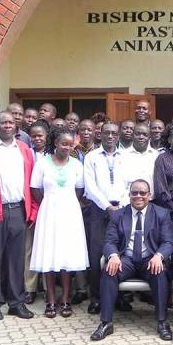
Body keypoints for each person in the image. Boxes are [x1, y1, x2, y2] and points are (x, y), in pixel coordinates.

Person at [91, 180, 173, 341]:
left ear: (149, 196)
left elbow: (168, 242)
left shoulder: (161, 214)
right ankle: (106, 322)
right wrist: (113, 256)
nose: (138, 196)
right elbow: (109, 241)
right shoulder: (118, 215)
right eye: (134, 192)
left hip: (149, 259)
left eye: (143, 193)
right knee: (108, 271)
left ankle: (162, 321)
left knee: (160, 272)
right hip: (126, 260)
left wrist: (159, 256)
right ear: (129, 195)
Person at [30, 128, 89, 318]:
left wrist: (66, 201)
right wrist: (50, 203)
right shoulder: (42, 164)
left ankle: (65, 299)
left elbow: (79, 190)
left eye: (70, 144)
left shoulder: (77, 165)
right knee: (49, 255)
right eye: (64, 143)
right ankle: (50, 300)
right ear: (55, 143)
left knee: (66, 256)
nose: (67, 147)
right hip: (49, 212)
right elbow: (35, 189)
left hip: (70, 212)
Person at [0, 111, 35, 320]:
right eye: (3, 122)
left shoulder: (25, 150)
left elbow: (32, 183)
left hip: (18, 209)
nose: (7, 125)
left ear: (15, 127)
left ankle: (16, 303)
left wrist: (32, 211)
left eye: (10, 122)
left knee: (16, 259)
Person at [83, 122, 129, 314]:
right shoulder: (91, 157)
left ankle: (119, 296)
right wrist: (107, 206)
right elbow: (90, 186)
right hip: (99, 209)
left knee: (122, 252)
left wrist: (121, 206)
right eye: (107, 133)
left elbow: (132, 184)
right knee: (96, 254)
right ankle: (96, 298)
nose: (110, 136)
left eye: (114, 133)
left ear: (118, 136)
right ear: (100, 135)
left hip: (123, 209)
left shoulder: (126, 157)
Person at [69, 119, 99, 305]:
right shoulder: (71, 152)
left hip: (96, 206)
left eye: (90, 129)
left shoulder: (100, 152)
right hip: (76, 205)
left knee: (95, 247)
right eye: (83, 129)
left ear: (95, 131)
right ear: (78, 132)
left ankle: (97, 287)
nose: (86, 132)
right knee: (78, 246)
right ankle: (80, 288)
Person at [24, 120, 49, 304]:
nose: (37, 138)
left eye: (40, 135)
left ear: (47, 136)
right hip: (32, 207)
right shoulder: (26, 154)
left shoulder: (54, 155)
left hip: (51, 208)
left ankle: (49, 289)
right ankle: (30, 288)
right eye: (34, 136)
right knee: (30, 249)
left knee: (49, 249)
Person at [122, 123, 159, 197]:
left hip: (152, 200)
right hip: (129, 201)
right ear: (132, 135)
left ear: (150, 137)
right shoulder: (122, 155)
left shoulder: (156, 155)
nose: (141, 137)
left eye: (145, 135)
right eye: (138, 134)